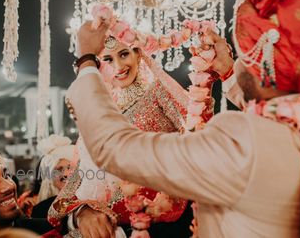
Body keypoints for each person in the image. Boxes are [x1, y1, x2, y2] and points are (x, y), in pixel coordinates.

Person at [64, 0, 300, 237]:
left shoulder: (239, 141)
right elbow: (280, 98)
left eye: (243, 50)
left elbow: (115, 149)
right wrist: (227, 69)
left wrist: (87, 61)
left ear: (260, 62)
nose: (238, 60)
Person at [48, 39, 195, 237]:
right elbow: (81, 176)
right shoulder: (104, 113)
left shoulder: (158, 91)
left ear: (138, 53)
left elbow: (195, 139)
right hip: (111, 225)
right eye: (108, 59)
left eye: (124, 54)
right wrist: (81, 210)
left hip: (159, 221)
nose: (118, 66)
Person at [27, 134, 79, 219]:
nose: (65, 174)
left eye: (70, 168)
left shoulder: (92, 202)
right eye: (58, 170)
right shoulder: (41, 210)